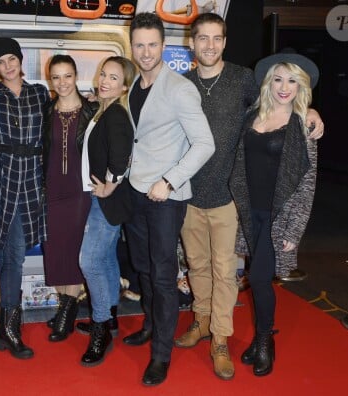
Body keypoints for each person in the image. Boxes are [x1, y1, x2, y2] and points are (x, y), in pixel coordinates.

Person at [175, 13, 325, 381]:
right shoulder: (185, 87)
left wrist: (313, 112)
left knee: (236, 275)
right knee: (199, 268)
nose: (209, 45)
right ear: (191, 44)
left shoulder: (244, 79)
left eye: (217, 38)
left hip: (235, 203)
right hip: (206, 198)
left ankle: (230, 341)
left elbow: (305, 181)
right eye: (202, 39)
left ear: (225, 41)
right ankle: (203, 322)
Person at [122, 12, 215, 386]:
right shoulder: (132, 86)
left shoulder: (179, 88)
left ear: (164, 46)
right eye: (140, 45)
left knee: (162, 277)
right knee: (142, 268)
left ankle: (161, 354)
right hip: (134, 191)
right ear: (132, 47)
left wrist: (169, 181)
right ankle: (149, 325)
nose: (146, 52)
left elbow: (205, 144)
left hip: (165, 197)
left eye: (153, 45)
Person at [229, 52, 319, 377]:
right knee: (258, 276)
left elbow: (307, 184)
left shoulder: (303, 125)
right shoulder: (252, 115)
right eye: (279, 79)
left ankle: (265, 340)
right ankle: (259, 337)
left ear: (301, 86)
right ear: (269, 81)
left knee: (258, 279)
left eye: (292, 80)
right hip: (249, 212)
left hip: (277, 217)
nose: (284, 87)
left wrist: (294, 232)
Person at [0, 37, 50, 359]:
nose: (7, 66)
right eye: (0, 62)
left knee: (12, 255)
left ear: (20, 59)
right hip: (0, 177)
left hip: (32, 178)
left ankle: (5, 328)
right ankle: (8, 329)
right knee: (9, 254)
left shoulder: (40, 93)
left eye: (11, 59)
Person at [79, 56, 136, 367]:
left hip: (107, 199)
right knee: (107, 258)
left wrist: (111, 185)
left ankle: (101, 329)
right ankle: (110, 316)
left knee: (89, 261)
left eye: (114, 78)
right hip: (102, 198)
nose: (105, 81)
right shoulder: (104, 110)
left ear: (125, 86)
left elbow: (121, 157)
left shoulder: (115, 114)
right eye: (104, 74)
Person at [41, 54, 97, 342]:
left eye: (67, 76)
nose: (62, 83)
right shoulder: (46, 111)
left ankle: (66, 313)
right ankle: (66, 307)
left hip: (80, 191)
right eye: (56, 77)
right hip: (52, 190)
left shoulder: (92, 111)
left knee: (74, 249)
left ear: (76, 76)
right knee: (56, 250)